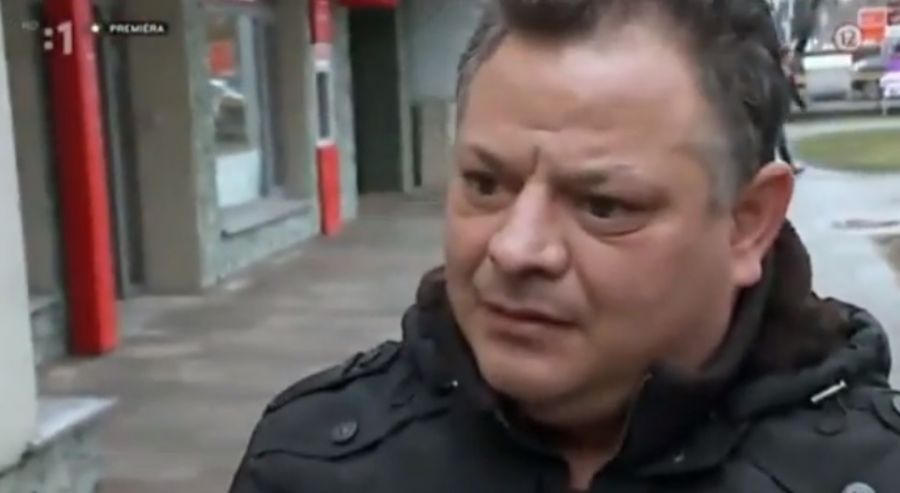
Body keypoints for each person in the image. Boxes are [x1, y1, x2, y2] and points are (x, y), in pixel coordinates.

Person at [230, 1, 900, 491]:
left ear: (747, 223)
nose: (515, 249)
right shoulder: (307, 463)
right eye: (485, 183)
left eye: (603, 206)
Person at [777, 46, 806, 174]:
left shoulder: (787, 73)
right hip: (775, 109)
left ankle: (788, 165)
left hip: (782, 108)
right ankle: (789, 166)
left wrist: (800, 103)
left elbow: (793, 91)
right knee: (779, 140)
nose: (790, 59)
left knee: (779, 139)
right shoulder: (776, 72)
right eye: (789, 56)